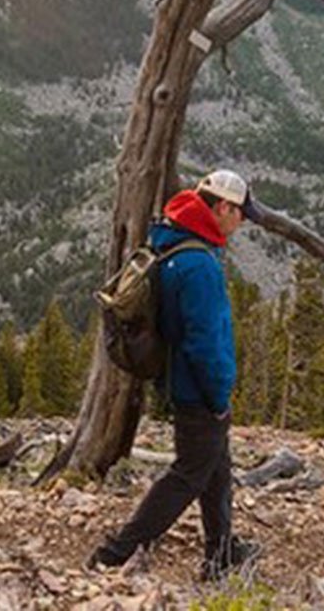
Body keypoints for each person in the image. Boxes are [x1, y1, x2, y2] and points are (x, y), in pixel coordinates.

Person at [88, 169, 260, 581]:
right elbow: (207, 342)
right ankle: (115, 554)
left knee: (216, 468)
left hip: (178, 380)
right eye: (240, 214)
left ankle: (221, 553)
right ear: (223, 207)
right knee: (187, 475)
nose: (241, 223)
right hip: (197, 389)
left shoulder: (172, 238)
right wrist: (219, 396)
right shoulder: (199, 264)